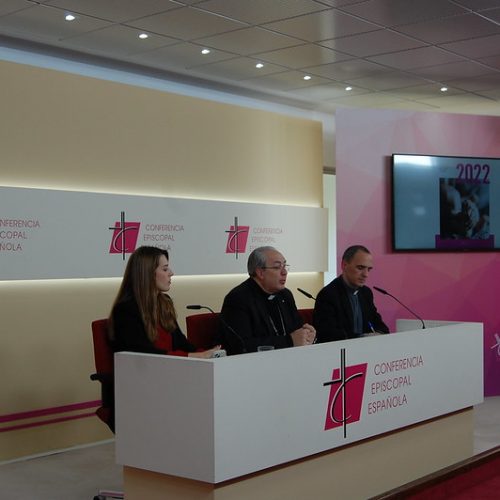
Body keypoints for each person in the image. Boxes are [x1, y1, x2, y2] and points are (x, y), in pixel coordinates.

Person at [108, 245, 220, 358]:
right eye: (165, 269)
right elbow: (142, 354)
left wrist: (208, 354)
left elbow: (181, 343)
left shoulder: (164, 302)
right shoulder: (125, 310)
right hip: (149, 368)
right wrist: (194, 356)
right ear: (148, 274)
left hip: (172, 366)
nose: (171, 273)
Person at [218, 246, 316, 355]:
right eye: (277, 267)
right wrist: (289, 341)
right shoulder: (238, 299)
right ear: (260, 273)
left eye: (285, 266)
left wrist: (307, 335)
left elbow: (297, 331)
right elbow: (241, 346)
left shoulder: (285, 295)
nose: (284, 272)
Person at [314, 245, 389, 342]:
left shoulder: (366, 293)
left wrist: (378, 333)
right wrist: (363, 337)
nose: (366, 274)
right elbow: (329, 335)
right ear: (344, 265)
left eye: (369, 269)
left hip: (366, 348)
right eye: (360, 268)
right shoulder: (328, 295)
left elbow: (382, 327)